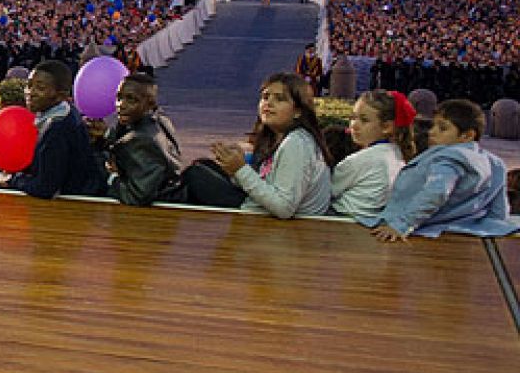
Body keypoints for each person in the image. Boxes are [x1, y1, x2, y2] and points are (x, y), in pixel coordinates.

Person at [360, 99, 518, 240]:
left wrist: (402, 224)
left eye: (442, 128)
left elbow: (437, 191)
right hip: (469, 234)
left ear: (467, 135)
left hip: (427, 232)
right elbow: (499, 210)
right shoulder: (496, 163)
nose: (432, 132)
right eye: (434, 125)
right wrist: (497, 230)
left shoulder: (448, 157)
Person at [203, 72, 333, 218]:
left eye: (279, 99)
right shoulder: (276, 138)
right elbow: (264, 185)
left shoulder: (296, 144)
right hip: (260, 210)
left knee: (197, 175)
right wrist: (233, 168)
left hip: (288, 227)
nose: (268, 103)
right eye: (265, 97)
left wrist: (240, 170)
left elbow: (284, 208)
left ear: (297, 111)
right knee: (204, 166)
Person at [0, 60, 106, 199]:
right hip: (79, 192)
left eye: (40, 88)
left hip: (75, 204)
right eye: (29, 85)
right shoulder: (63, 113)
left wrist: (11, 179)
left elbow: (44, 188)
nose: (30, 93)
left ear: (61, 95)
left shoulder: (57, 129)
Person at [99, 73, 186, 206]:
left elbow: (136, 197)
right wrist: (105, 135)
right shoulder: (161, 120)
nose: (121, 105)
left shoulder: (140, 140)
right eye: (119, 97)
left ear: (150, 104)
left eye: (131, 100)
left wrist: (112, 177)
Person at [330, 90, 415, 219]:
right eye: (353, 117)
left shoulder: (365, 159)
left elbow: (330, 189)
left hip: (345, 217)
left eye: (364, 120)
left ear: (386, 127)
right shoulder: (396, 152)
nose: (354, 125)